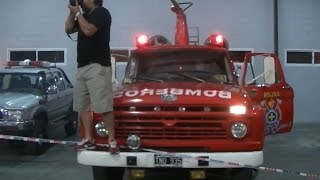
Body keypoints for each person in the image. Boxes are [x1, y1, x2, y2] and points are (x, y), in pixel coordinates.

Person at [65, 0, 119, 154]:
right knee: (81, 106)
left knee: (103, 106)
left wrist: (77, 14)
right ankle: (89, 139)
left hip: (98, 66)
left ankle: (111, 141)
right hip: (81, 67)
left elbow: (88, 30)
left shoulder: (101, 13)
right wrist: (72, 12)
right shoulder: (84, 15)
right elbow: (68, 28)